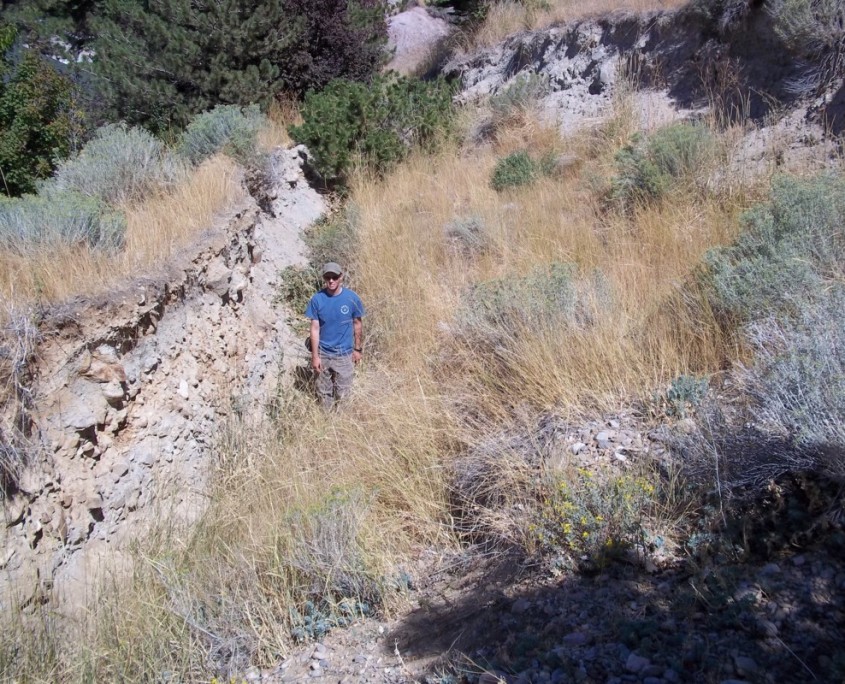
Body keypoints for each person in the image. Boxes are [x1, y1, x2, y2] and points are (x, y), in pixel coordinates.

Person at [305, 262, 365, 409]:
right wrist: (315, 356)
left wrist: (357, 350)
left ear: (341, 277)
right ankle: (327, 420)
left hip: (344, 354)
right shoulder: (317, 299)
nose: (331, 280)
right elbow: (314, 328)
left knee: (344, 393)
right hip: (323, 353)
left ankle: (341, 424)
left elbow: (357, 324)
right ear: (323, 278)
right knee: (324, 391)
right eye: (327, 277)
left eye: (334, 277)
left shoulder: (352, 298)